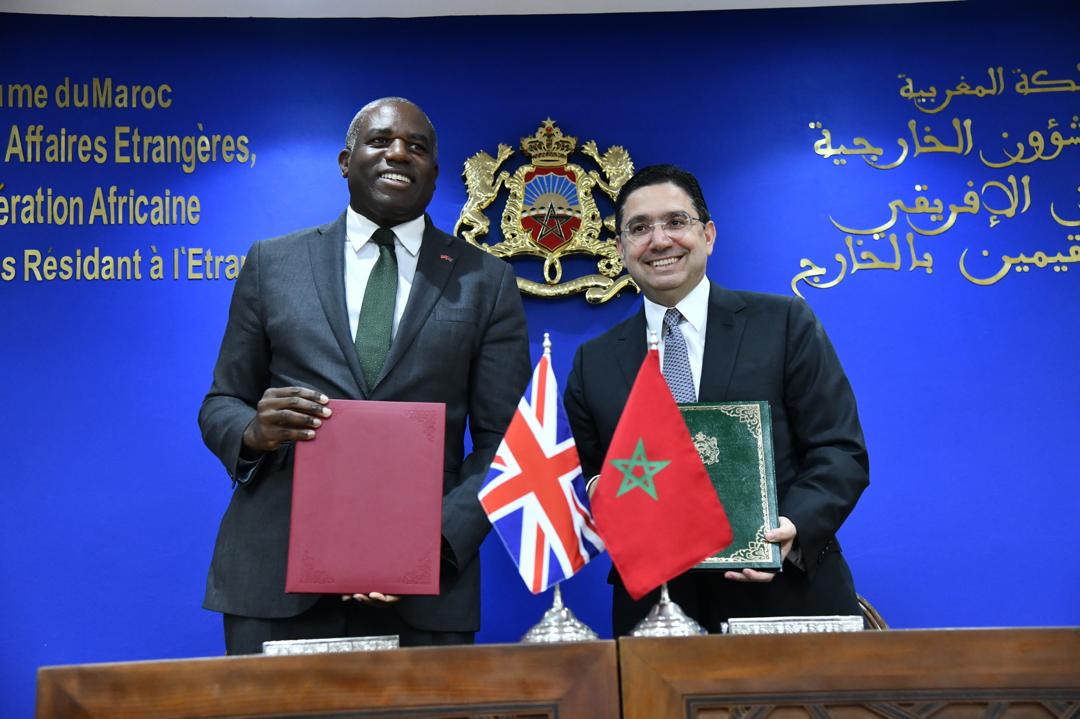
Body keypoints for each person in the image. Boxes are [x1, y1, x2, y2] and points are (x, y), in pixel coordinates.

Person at [199, 97, 531, 654]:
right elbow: (221, 403)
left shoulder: (486, 280)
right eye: (380, 141)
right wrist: (253, 431)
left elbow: (506, 440)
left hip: (426, 586)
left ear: (435, 172)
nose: (398, 153)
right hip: (274, 579)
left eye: (416, 147)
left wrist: (429, 547)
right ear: (344, 161)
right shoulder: (272, 264)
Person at [564, 164, 869, 636]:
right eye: (639, 229)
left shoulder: (783, 323)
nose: (659, 240)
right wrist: (601, 495)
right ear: (620, 249)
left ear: (707, 235)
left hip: (785, 596)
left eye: (676, 222)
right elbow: (589, 474)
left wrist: (793, 527)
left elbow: (839, 450)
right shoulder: (594, 362)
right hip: (655, 610)